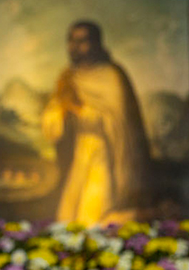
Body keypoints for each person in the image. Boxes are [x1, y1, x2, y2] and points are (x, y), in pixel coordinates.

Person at [41, 21, 152, 225]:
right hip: (78, 153)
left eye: (82, 41)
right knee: (69, 212)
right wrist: (61, 113)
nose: (75, 47)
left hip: (104, 153)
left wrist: (80, 111)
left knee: (95, 210)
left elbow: (118, 120)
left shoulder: (112, 76)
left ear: (95, 43)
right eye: (72, 41)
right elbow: (53, 116)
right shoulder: (68, 78)